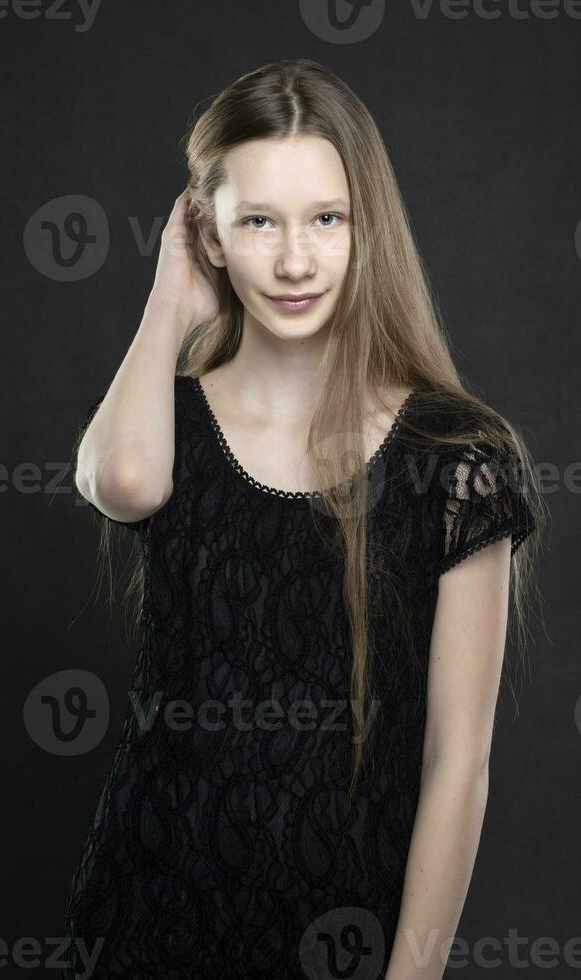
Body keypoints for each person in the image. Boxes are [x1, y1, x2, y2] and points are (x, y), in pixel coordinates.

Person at [62, 59, 544, 980]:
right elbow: (118, 481)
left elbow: (457, 761)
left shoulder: (455, 459)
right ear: (208, 235)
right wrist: (169, 298)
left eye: (326, 218)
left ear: (368, 226)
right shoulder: (170, 427)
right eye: (257, 222)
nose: (293, 261)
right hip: (145, 918)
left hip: (346, 941)